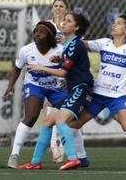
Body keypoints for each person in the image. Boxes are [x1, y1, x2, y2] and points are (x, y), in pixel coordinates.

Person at [69, 15, 126, 171]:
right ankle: (82, 158)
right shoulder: (104, 43)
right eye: (113, 22)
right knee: (72, 127)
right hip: (97, 95)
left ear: (125, 30)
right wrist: (69, 35)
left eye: (118, 23)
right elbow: (81, 44)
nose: (113, 25)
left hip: (116, 97)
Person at [18, 13, 93, 170]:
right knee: (48, 121)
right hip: (73, 89)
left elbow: (63, 73)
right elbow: (72, 65)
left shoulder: (74, 45)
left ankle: (73, 157)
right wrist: (58, 61)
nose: (64, 23)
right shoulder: (67, 44)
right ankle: (35, 162)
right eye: (64, 20)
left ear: (76, 27)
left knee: (60, 120)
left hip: (81, 88)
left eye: (68, 21)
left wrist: (42, 67)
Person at [5, 21, 67, 168]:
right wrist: (10, 85)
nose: (37, 34)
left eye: (42, 32)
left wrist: (68, 80)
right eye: (35, 31)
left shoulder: (61, 50)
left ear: (50, 36)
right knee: (31, 116)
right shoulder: (26, 50)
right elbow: (17, 68)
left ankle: (72, 153)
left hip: (56, 87)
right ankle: (14, 155)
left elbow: (71, 68)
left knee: (68, 117)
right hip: (35, 85)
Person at [47, 0, 89, 165]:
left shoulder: (73, 41)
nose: (58, 9)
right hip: (60, 81)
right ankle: (79, 156)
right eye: (55, 6)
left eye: (61, 7)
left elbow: (65, 68)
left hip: (74, 84)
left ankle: (70, 154)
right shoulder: (48, 27)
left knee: (63, 120)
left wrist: (41, 67)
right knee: (54, 118)